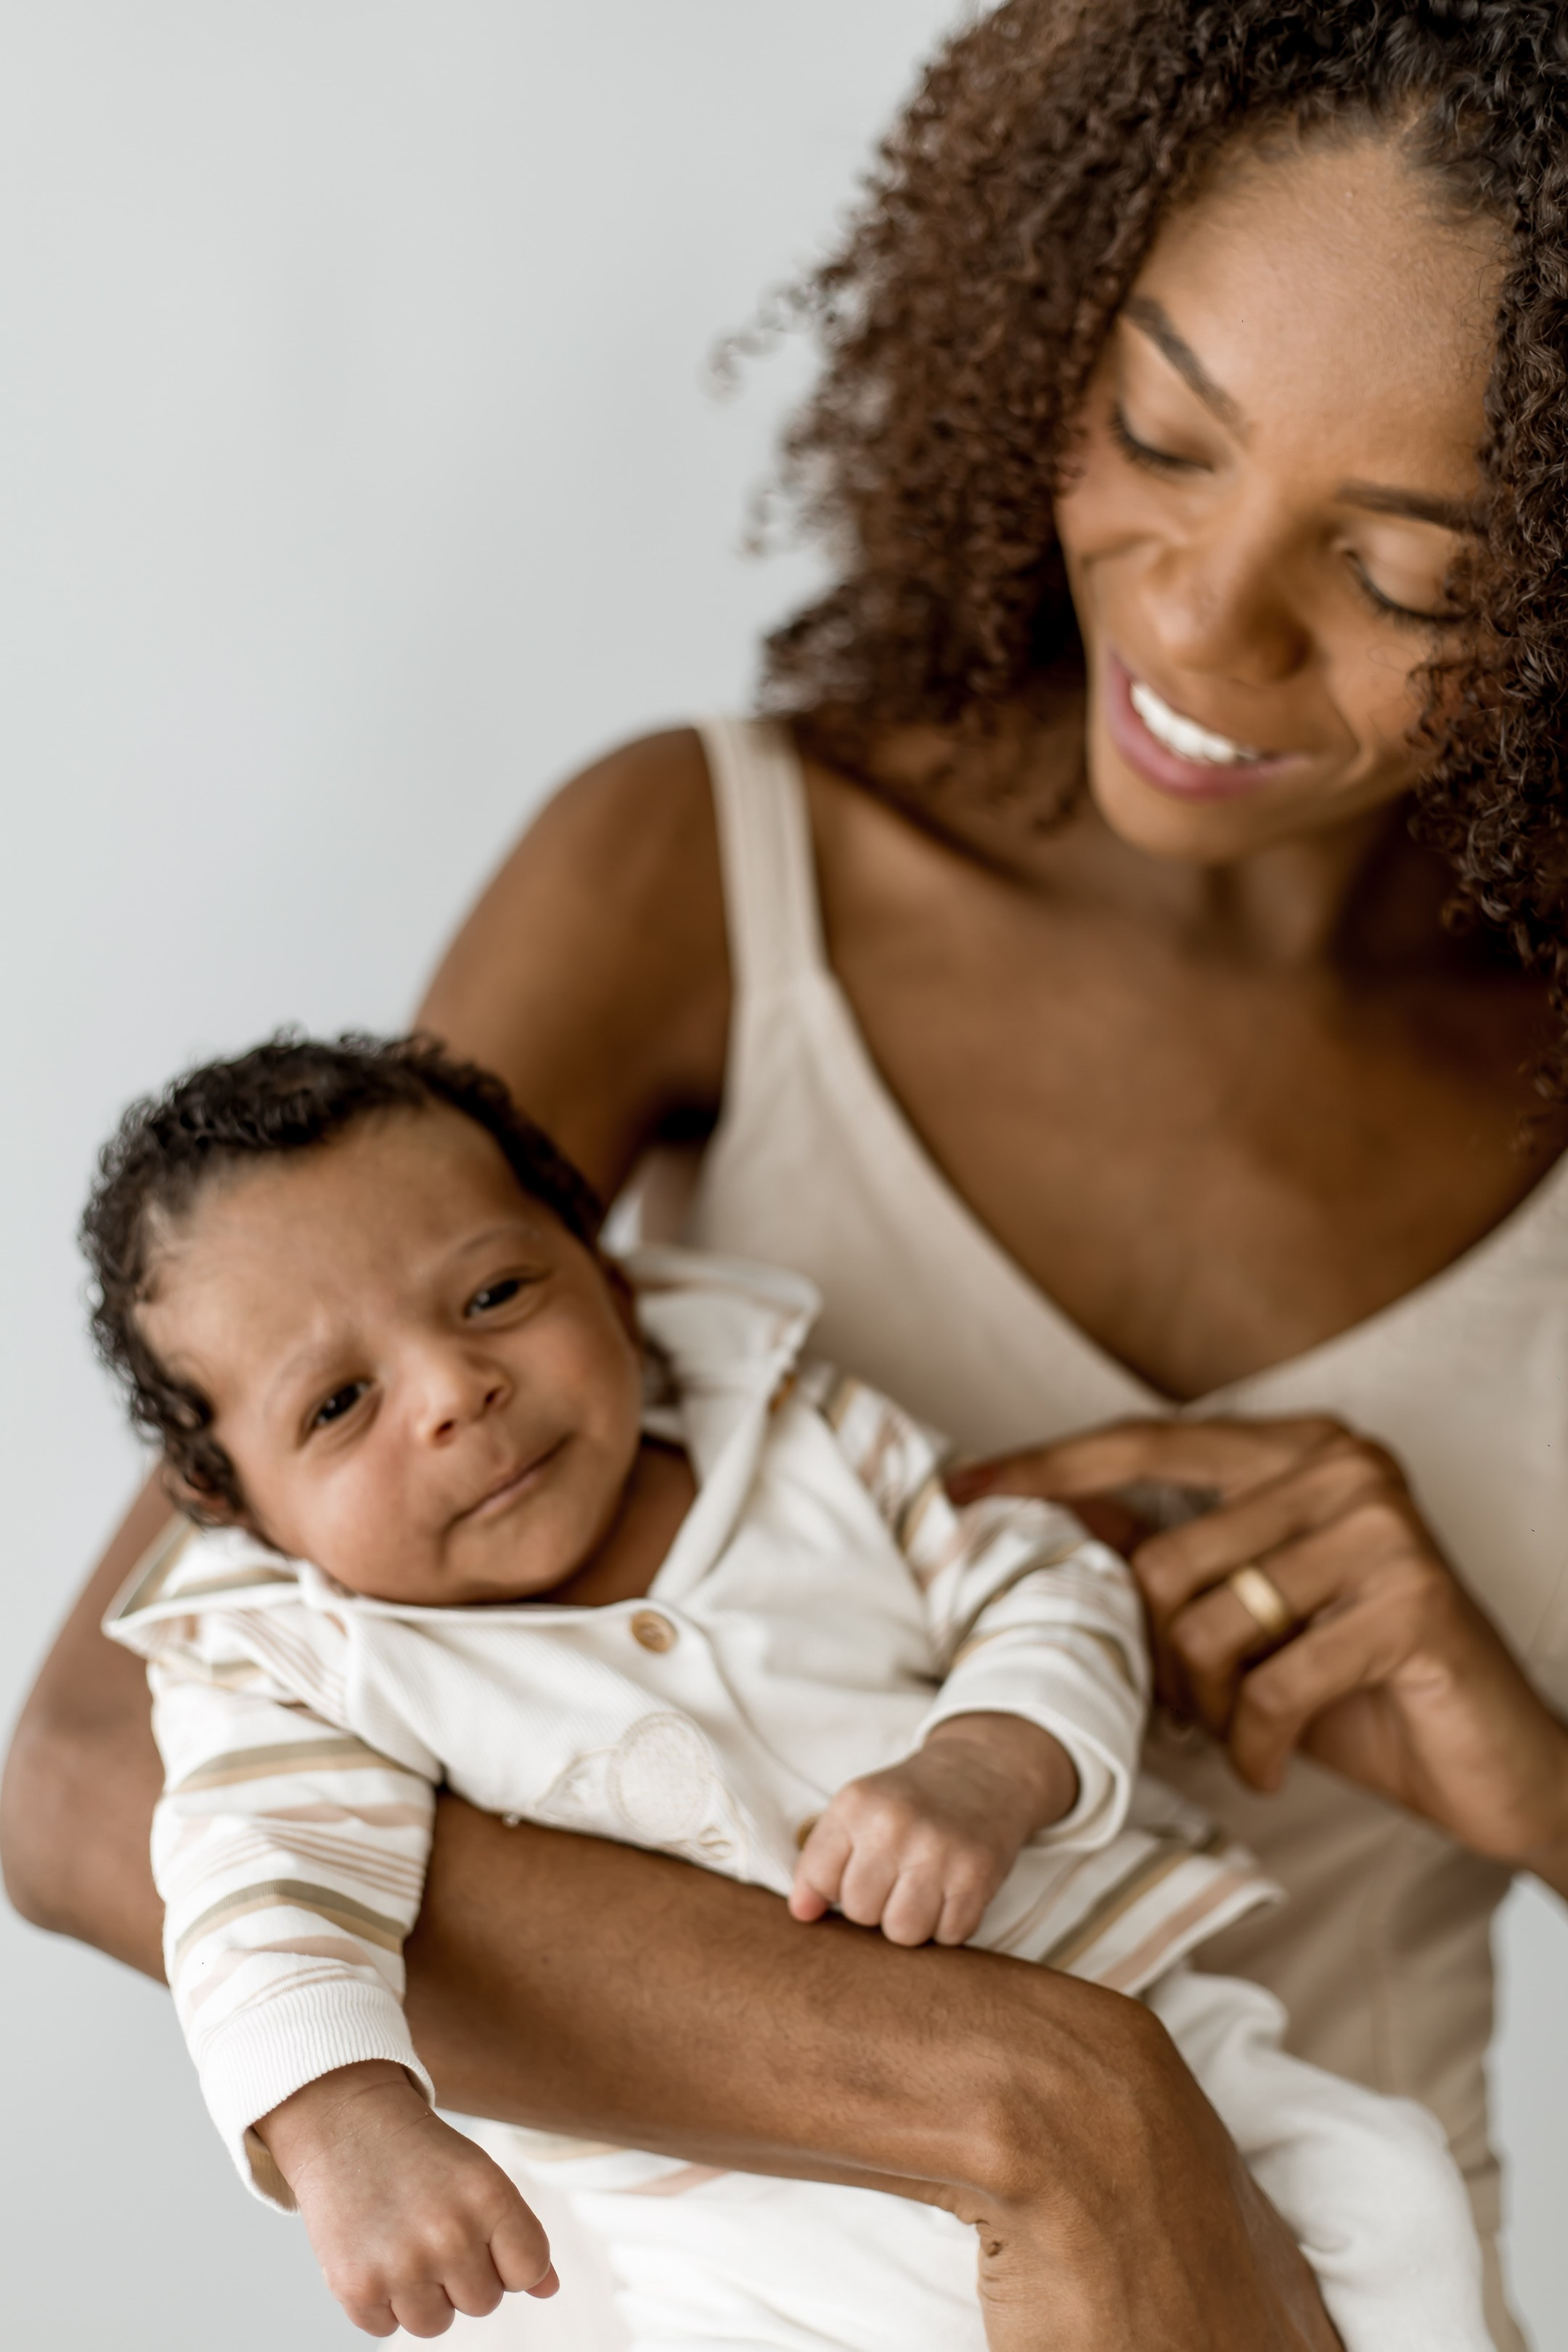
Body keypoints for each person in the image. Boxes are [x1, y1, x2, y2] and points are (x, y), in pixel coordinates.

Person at [7, 4, 1568, 2346]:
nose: (1202, 628)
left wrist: (1527, 1774)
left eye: (1416, 575)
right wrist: (1045, 2100)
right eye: (1158, 434)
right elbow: (99, 1768)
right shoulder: (708, 870)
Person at [85, 1032, 1485, 2351]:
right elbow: (260, 1890)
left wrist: (986, 1766)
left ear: (611, 1275)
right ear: (234, 1505)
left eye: (497, 1294)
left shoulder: (803, 1425)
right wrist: (343, 2121)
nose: (455, 1387)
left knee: (1400, 2200)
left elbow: (1046, 1582)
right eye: (339, 1403)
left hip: (1149, 2022)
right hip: (745, 2199)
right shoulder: (299, 1663)